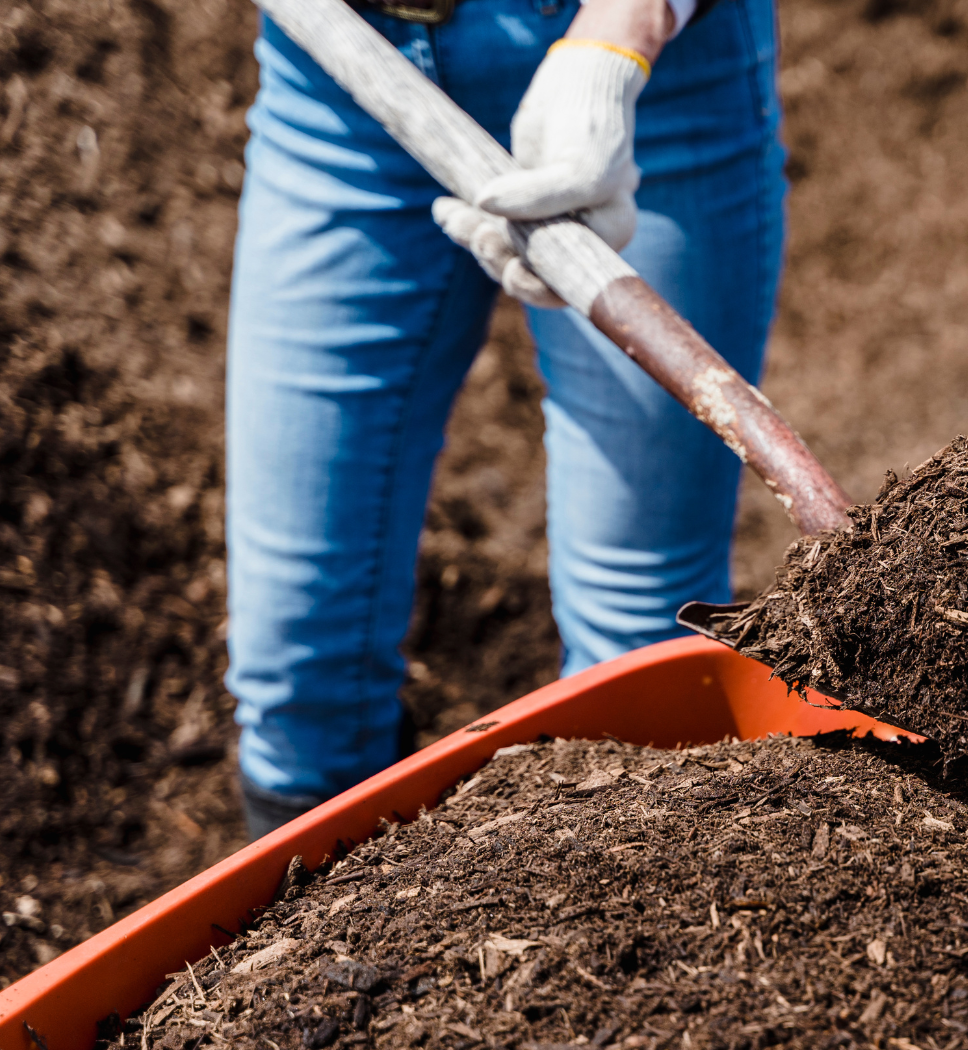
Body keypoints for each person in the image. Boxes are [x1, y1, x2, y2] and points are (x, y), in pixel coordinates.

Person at [224, 0, 785, 837]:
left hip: (634, 79)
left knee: (639, 644)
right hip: (337, 71)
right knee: (297, 666)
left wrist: (620, 38)